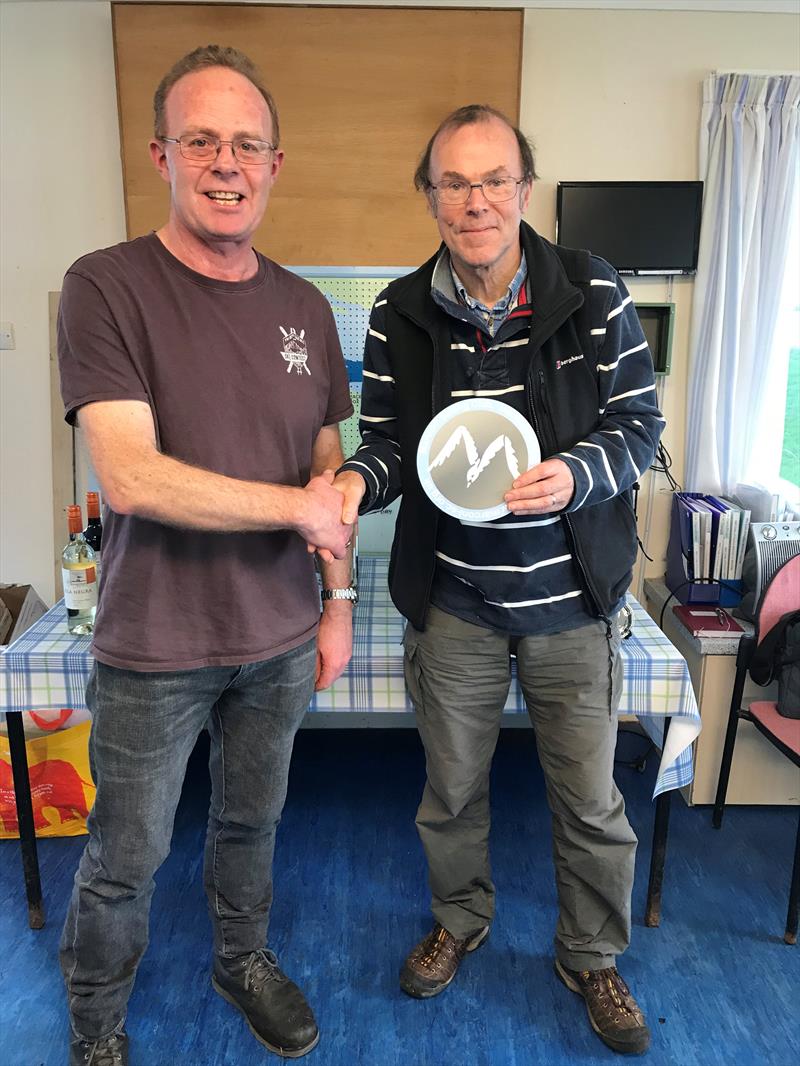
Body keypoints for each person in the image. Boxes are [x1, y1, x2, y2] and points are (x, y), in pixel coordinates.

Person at [335, 105, 664, 1056]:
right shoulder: (399, 310)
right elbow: (394, 447)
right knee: (451, 787)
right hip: (456, 601)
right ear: (431, 196)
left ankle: (592, 955)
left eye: (494, 180)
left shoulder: (592, 290)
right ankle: (460, 920)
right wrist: (360, 478)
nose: (474, 201)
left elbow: (639, 430)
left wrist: (574, 474)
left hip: (573, 602)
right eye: (454, 183)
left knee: (591, 798)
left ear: (523, 188)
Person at [57, 45, 356, 1066]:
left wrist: (338, 596)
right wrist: (301, 512)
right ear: (162, 155)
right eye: (201, 141)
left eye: (245, 144)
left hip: (276, 636)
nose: (225, 164)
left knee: (250, 826)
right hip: (153, 643)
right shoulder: (103, 286)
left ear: (276, 163)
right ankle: (97, 1026)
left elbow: (324, 452)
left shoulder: (306, 307)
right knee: (125, 858)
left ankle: (242, 959)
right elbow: (132, 475)